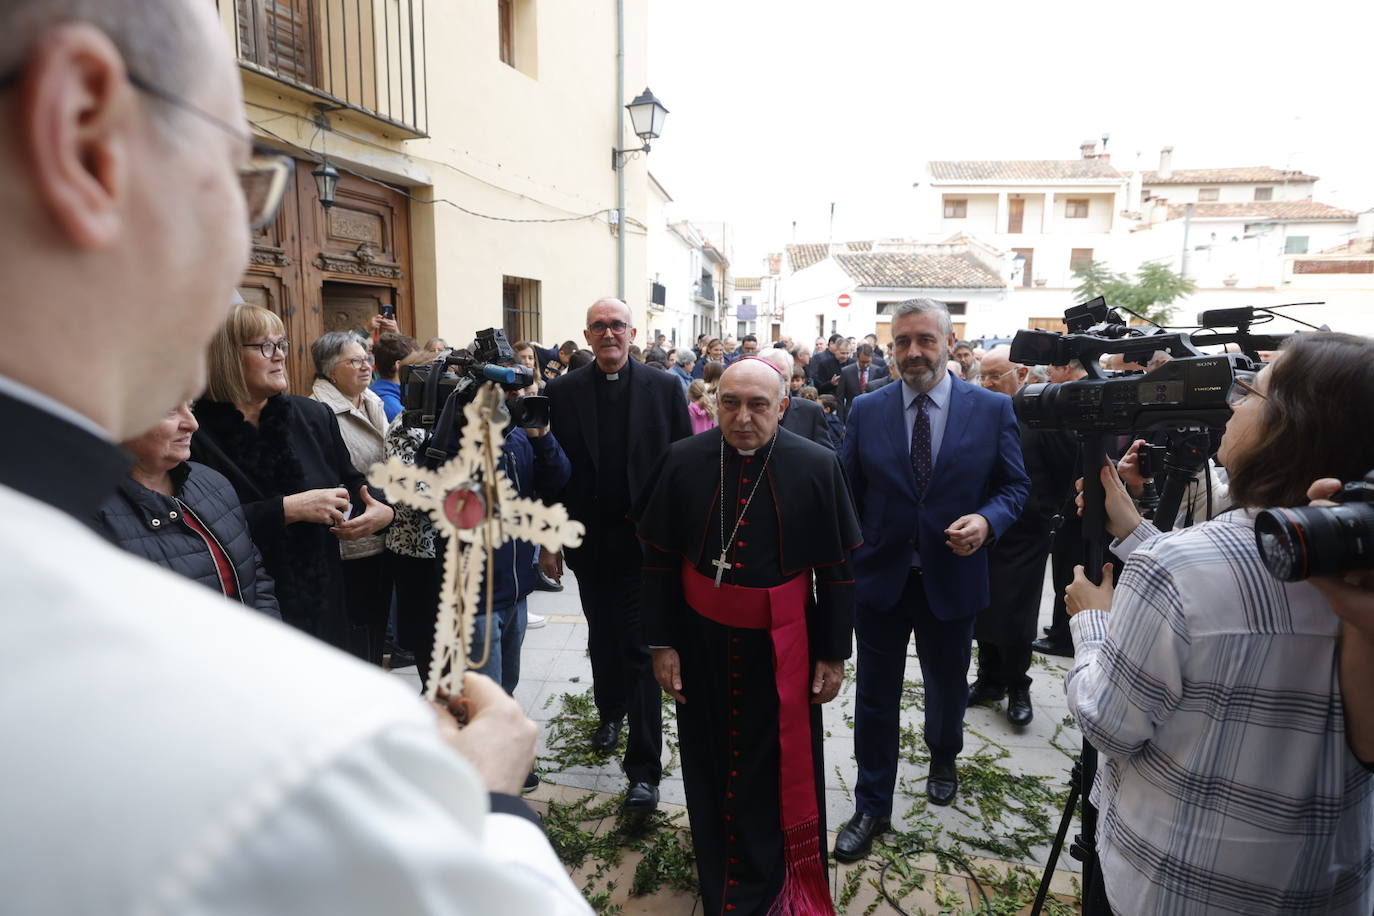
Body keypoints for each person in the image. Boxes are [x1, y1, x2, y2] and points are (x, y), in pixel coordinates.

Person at [0, 2, 589, 911]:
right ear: (84, 140)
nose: (240, 237)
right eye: (237, 178)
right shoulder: (302, 752)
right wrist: (489, 804)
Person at [1063, 332, 1374, 915]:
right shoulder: (1347, 561)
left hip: (1178, 884)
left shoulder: (1175, 568)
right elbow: (1237, 586)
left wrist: (1095, 624)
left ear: (1291, 426)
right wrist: (1136, 533)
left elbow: (1110, 725)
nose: (1231, 406)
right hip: (1327, 886)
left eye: (1250, 392)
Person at [632, 357, 860, 915]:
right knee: (707, 759)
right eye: (730, 402)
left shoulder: (817, 465)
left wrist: (833, 653)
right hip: (700, 642)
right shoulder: (683, 461)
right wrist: (661, 644)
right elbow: (658, 563)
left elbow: (836, 571)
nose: (742, 417)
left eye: (759, 405)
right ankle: (717, 875)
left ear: (783, 407)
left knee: (773, 768)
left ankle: (772, 878)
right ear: (714, 403)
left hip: (782, 648)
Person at [835, 299, 1029, 861]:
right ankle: (872, 803)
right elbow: (848, 491)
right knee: (875, 696)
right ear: (890, 347)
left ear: (949, 342)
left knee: (947, 684)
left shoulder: (990, 409)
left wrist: (988, 521)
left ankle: (944, 756)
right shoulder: (867, 410)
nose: (913, 352)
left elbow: (1015, 487)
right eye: (902, 342)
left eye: (924, 339)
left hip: (954, 577)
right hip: (882, 582)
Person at [542, 298, 693, 813]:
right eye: (599, 327)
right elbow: (549, 469)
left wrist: (684, 537)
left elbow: (683, 462)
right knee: (601, 632)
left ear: (633, 333)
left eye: (617, 326)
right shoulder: (562, 391)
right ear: (587, 336)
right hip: (587, 539)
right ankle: (610, 711)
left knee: (640, 646)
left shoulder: (664, 386)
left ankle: (643, 772)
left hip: (644, 543)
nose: (609, 334)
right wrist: (549, 537)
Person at [192, 305, 394, 655]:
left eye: (281, 343)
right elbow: (194, 527)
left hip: (323, 597)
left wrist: (383, 513)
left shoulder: (312, 416)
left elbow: (351, 484)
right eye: (265, 346)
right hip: (246, 606)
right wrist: (285, 510)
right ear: (226, 355)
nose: (280, 355)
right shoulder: (194, 430)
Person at [967, 347, 1075, 726]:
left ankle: (1018, 685)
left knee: (1015, 616)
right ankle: (988, 680)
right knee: (982, 610)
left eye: (996, 375)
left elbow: (1066, 471)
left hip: (1026, 535)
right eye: (983, 376)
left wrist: (1045, 513)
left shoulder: (1043, 419)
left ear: (1023, 374)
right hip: (984, 530)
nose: (988, 383)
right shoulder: (980, 413)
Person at [95, 402, 280, 617]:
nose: (193, 424)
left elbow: (255, 576)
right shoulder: (90, 514)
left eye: (190, 408)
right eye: (170, 410)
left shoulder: (212, 482)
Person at [309, 331, 394, 664]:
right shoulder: (319, 411)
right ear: (331, 371)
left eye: (366, 358)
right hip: (351, 539)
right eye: (354, 361)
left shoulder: (372, 400)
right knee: (354, 630)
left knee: (376, 623)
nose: (365, 366)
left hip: (383, 525)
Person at [1031, 357, 1090, 658]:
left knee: (1069, 572)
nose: (1049, 374)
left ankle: (1064, 636)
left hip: (1072, 504)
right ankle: (1058, 629)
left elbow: (1068, 456)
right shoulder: (1079, 394)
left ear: (1068, 367)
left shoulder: (1075, 399)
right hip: (1069, 501)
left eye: (1052, 368)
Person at [761, 348, 834, 450]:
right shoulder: (744, 414)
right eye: (770, 377)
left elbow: (827, 458)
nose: (778, 385)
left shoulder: (811, 412)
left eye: (784, 379)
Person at [371, 331, 420, 423]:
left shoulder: (381, 390)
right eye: (414, 361)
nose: (419, 366)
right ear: (398, 365)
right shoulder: (390, 405)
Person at [836, 342, 890, 421]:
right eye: (862, 362)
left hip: (873, 416)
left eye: (868, 362)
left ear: (872, 358)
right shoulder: (846, 372)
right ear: (857, 358)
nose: (865, 365)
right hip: (851, 415)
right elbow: (840, 399)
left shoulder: (878, 371)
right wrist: (840, 423)